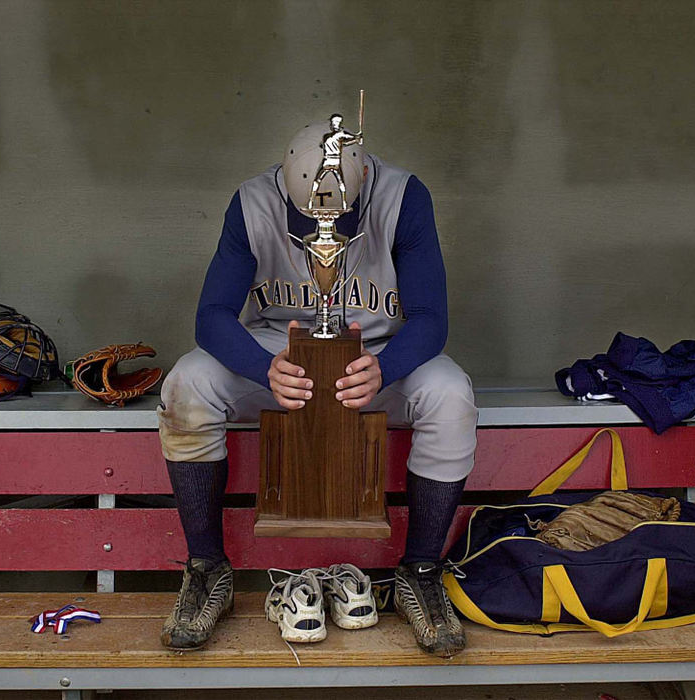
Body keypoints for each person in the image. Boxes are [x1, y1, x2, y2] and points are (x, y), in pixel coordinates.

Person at [157, 117, 478, 658]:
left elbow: (430, 317)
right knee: (187, 382)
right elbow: (211, 317)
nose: (323, 222)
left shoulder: (402, 195)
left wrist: (388, 367)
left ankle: (421, 570)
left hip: (375, 356)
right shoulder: (253, 201)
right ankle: (207, 569)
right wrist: (264, 369)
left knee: (450, 394)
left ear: (363, 177)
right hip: (277, 356)